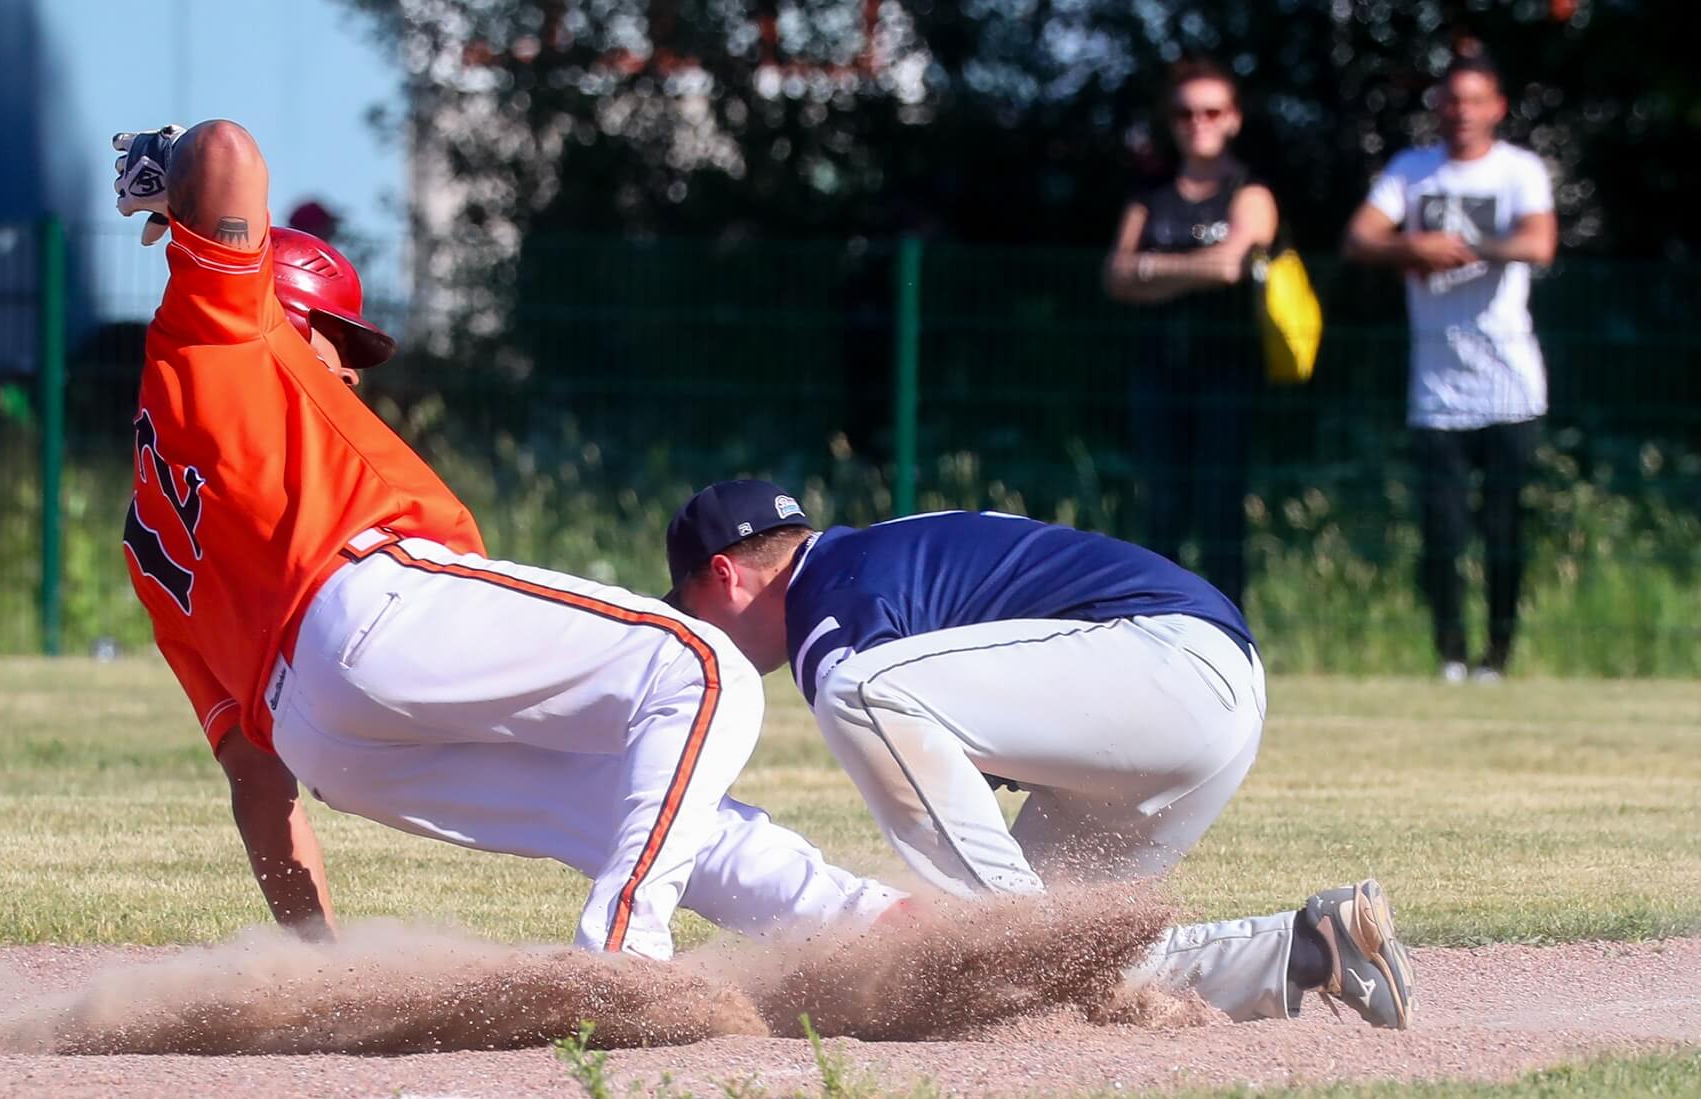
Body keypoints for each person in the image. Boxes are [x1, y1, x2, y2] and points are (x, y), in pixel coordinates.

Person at [111, 119, 902, 960]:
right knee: (706, 671)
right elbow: (227, 149)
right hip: (370, 610)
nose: (347, 370)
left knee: (630, 799)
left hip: (328, 744)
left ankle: (876, 931)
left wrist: (321, 965)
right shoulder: (221, 329)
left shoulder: (155, 537)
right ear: (274, 305)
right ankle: (620, 953)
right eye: (333, 336)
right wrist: (165, 168)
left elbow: (257, 784)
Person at [662, 479, 1416, 1027]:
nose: (697, 633)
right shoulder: (868, 564)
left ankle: (1011, 928)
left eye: (688, 608)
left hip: (1162, 661)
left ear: (724, 575)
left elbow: (889, 716)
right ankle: (1315, 947)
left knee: (858, 693)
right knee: (1057, 965)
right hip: (1189, 695)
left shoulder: (826, 605)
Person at [1342, 54, 1557, 682]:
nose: (1461, 112)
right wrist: (1410, 245)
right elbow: (1360, 238)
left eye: (1474, 100)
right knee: (1441, 529)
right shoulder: (1412, 172)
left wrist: (1462, 248)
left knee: (1503, 530)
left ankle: (1499, 654)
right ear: (1438, 108)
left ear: (1497, 107)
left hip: (1510, 383)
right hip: (1436, 387)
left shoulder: (1520, 171)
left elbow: (1539, 242)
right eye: (1451, 100)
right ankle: (1451, 655)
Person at [1105, 59, 1279, 609]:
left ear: (1233, 119)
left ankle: (1227, 633)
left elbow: (1231, 267)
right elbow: (1115, 275)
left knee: (1220, 508)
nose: (1197, 122)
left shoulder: (1249, 191)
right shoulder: (1148, 194)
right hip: (1157, 369)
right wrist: (1190, 271)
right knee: (1161, 508)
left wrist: (1153, 270)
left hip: (1228, 370)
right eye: (1184, 112)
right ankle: (1159, 627)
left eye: (1211, 111)